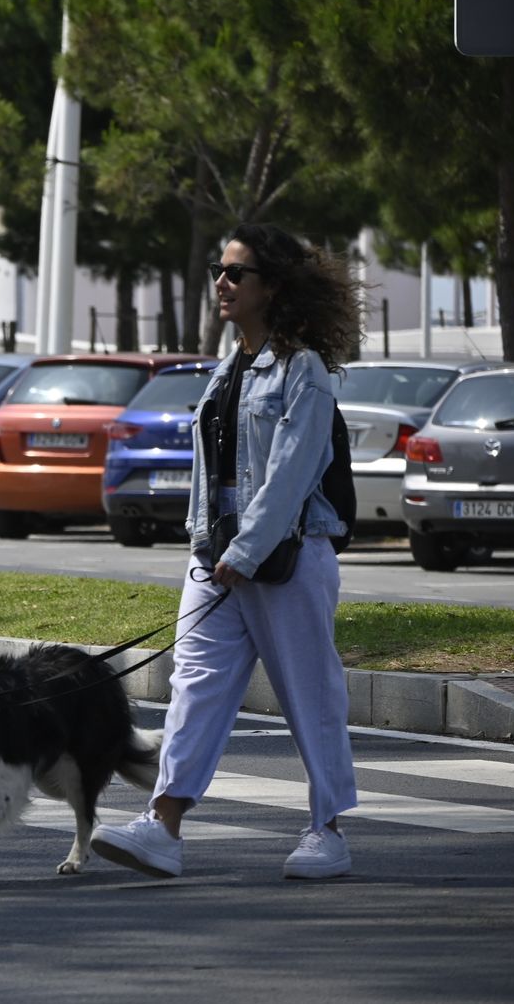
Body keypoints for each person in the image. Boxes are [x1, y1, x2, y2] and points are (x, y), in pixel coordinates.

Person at [89, 222, 363, 881]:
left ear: (271, 286)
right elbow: (215, 475)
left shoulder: (306, 373)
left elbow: (293, 476)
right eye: (219, 269)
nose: (222, 282)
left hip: (288, 557)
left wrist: (247, 549)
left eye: (236, 273)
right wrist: (205, 545)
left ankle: (327, 831)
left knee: (309, 694)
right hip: (218, 559)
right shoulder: (228, 369)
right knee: (195, 686)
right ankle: (163, 826)